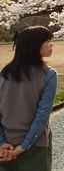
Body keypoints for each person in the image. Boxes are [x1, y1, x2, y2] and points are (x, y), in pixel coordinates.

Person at [0, 26, 57, 170]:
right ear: (35, 44)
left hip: (6, 146)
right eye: (48, 41)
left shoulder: (4, 74)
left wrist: (2, 142)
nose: (52, 45)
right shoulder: (48, 75)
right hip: (35, 146)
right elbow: (42, 116)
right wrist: (23, 147)